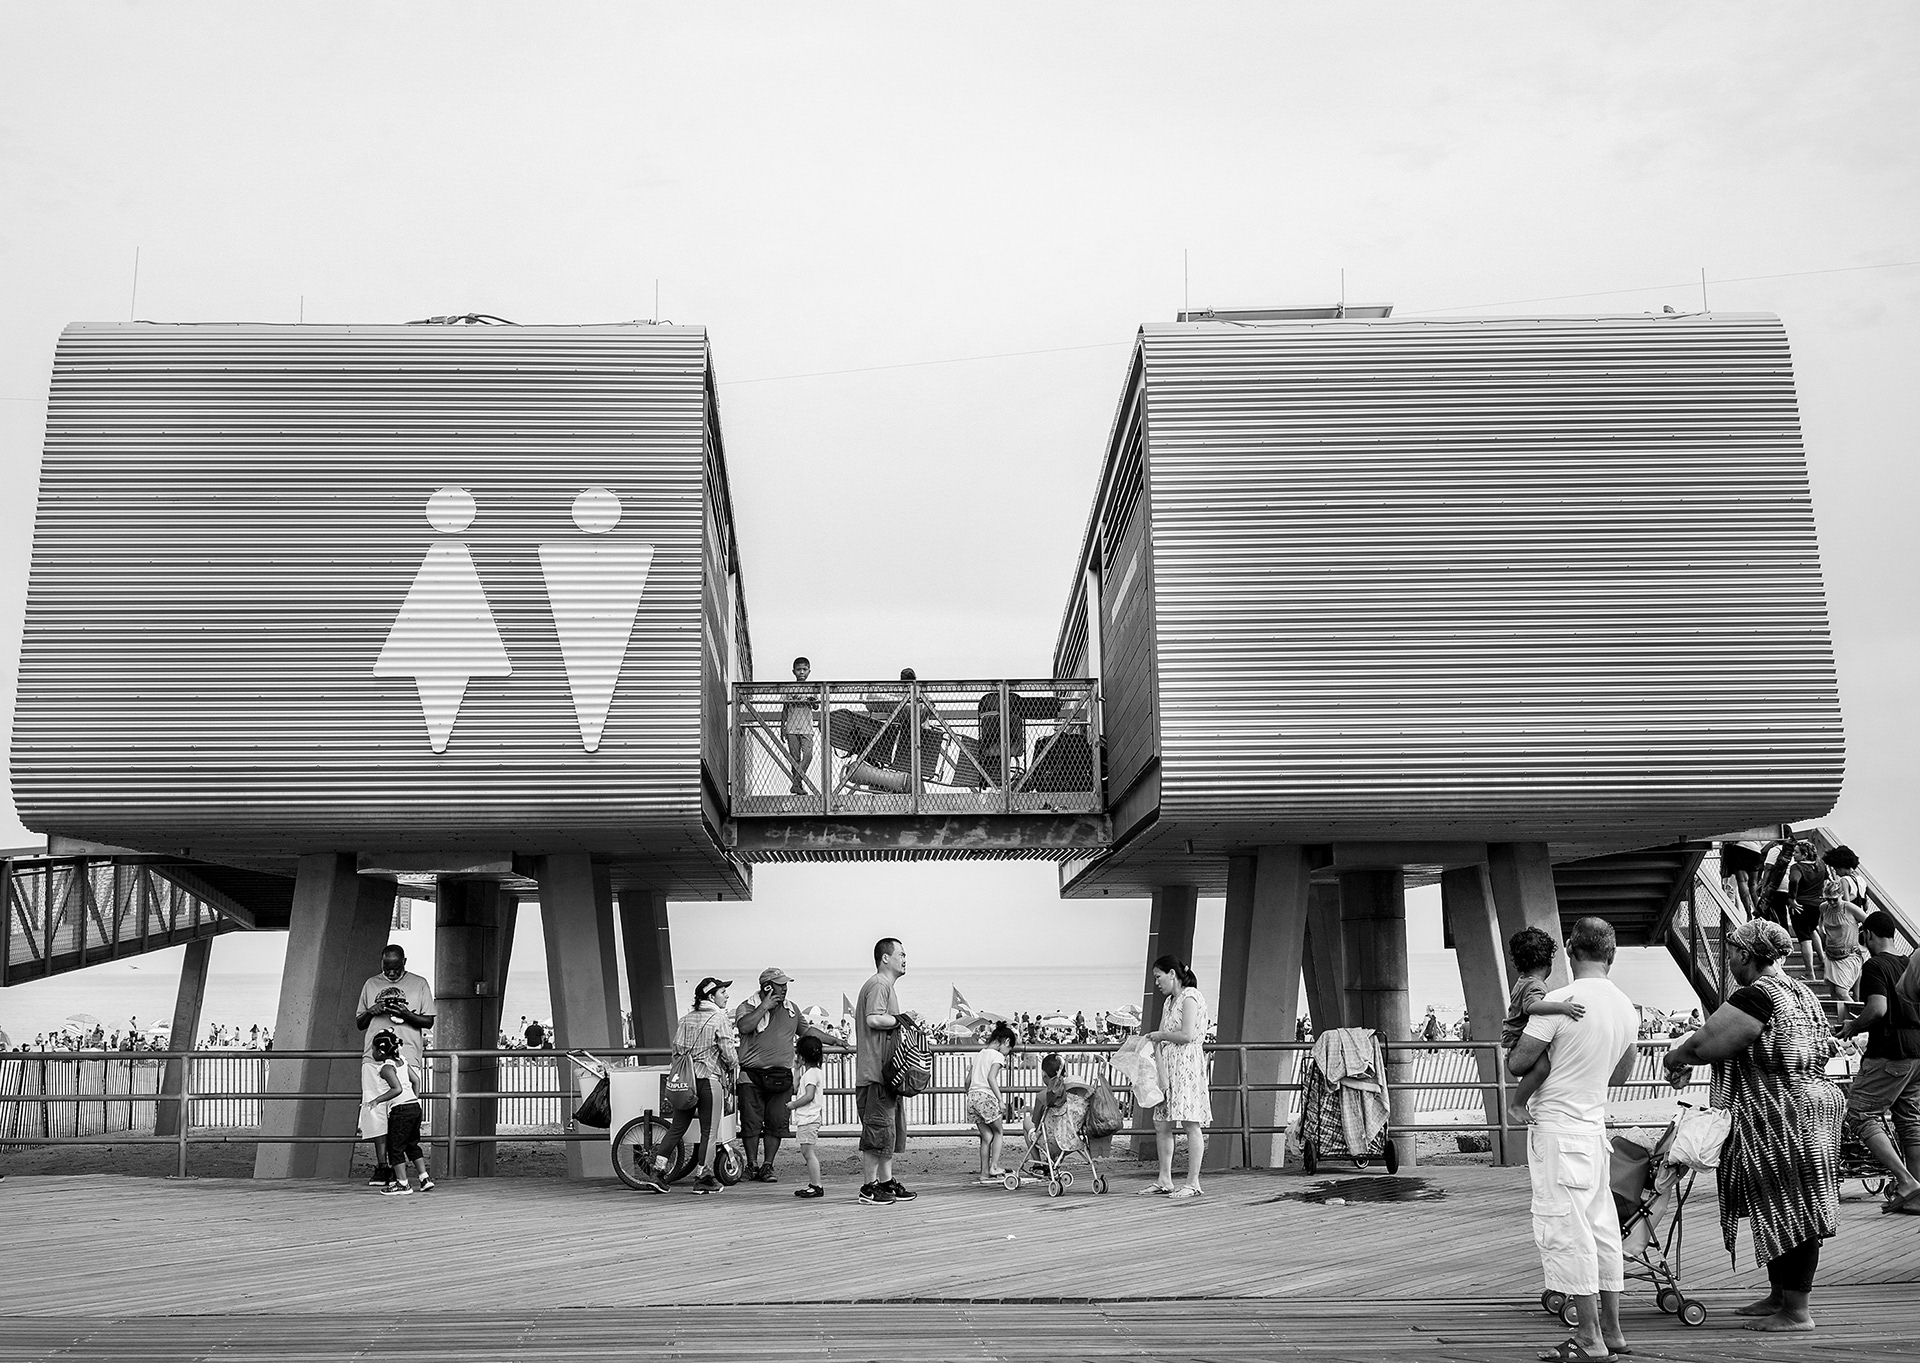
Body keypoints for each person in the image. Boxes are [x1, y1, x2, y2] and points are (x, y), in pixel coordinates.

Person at [1664, 918, 1845, 1334]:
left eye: (1730, 951)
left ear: (1746, 954)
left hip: (1785, 1114)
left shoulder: (1758, 996)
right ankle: (1780, 1296)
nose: (1727, 958)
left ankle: (1797, 1313)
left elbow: (1704, 1044)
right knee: (1779, 1204)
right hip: (1809, 1106)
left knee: (1793, 1209)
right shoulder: (1798, 989)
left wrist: (1675, 1059)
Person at [1506, 917, 1640, 1363]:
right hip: (1594, 1130)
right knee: (1602, 1229)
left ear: (1569, 950)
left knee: (1568, 1230)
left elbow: (1519, 1063)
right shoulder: (1626, 1006)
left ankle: (1588, 1337)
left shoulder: (1561, 999)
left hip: (1559, 1132)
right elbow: (1621, 1074)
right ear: (1613, 953)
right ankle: (1613, 1331)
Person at [1835, 911, 1920, 1214]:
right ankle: (1916, 1196)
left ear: (1868, 935)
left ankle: (1905, 1181)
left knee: (1860, 1114)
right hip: (1916, 1054)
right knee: (1909, 1120)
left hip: (1889, 1051)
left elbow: (1877, 1009)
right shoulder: (1911, 963)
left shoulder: (1875, 965)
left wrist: (1853, 1026)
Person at [732, 966, 842, 1182]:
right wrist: (764, 1006)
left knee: (776, 1122)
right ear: (766, 987)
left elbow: (807, 1031)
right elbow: (744, 1027)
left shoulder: (792, 1009)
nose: (784, 990)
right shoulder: (746, 1006)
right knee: (750, 1122)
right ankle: (752, 1164)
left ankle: (767, 1166)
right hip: (750, 1075)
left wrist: (834, 1040)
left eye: (785, 985)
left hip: (780, 1075)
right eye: (780, 985)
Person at [647, 977, 740, 1194]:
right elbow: (728, 1052)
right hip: (709, 1080)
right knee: (709, 1131)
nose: (726, 996)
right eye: (722, 992)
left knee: (677, 1128)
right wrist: (735, 1066)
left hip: (685, 1082)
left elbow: (677, 1051)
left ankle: (658, 1172)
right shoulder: (720, 1019)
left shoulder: (685, 1019)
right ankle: (703, 1177)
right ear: (711, 996)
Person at [854, 937, 921, 1205]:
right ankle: (868, 1187)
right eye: (901, 954)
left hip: (885, 1074)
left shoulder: (885, 986)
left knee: (887, 1132)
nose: (905, 959)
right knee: (877, 1131)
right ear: (886, 958)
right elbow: (873, 1019)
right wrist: (902, 1019)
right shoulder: (880, 984)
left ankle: (886, 1182)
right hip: (876, 1074)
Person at [1501, 927, 1588, 1128]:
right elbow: (1531, 1006)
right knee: (1542, 1069)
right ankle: (1517, 1104)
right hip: (1517, 1036)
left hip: (1513, 1035)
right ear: (1547, 964)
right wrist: (1562, 1007)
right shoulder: (1536, 986)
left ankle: (1520, 1103)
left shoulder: (1524, 980)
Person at [1139, 954, 1210, 1200]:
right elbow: (1163, 1035)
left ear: (1172, 974)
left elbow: (1188, 1035)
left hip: (1187, 1063)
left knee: (1191, 1122)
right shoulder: (1169, 1002)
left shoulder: (1190, 997)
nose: (1156, 983)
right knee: (1162, 1123)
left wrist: (1160, 1035)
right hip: (1168, 1064)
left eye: (1159, 977)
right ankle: (1164, 1179)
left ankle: (1193, 1181)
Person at [365, 1030, 433, 1195]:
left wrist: (376, 1100)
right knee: (412, 1144)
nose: (371, 1053)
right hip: (414, 1107)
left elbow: (397, 1089)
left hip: (400, 1109)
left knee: (395, 1147)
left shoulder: (386, 1068)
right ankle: (424, 1178)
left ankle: (403, 1183)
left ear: (380, 1051)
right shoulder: (402, 1060)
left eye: (373, 1050)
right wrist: (413, 1100)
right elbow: (415, 1080)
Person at [355, 944, 436, 1073]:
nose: (391, 973)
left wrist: (407, 1015)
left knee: (406, 1093)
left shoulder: (420, 983)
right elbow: (360, 1024)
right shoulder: (371, 983)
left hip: (407, 1057)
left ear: (404, 962)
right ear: (382, 963)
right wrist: (371, 1012)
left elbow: (428, 1022)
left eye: (396, 968)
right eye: (386, 968)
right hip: (374, 1058)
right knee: (373, 1093)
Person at [966, 1022, 1016, 1182]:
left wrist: (970, 1093)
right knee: (998, 1132)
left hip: (972, 1097)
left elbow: (967, 1081)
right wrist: (1000, 1100)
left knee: (986, 1137)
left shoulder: (979, 1054)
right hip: (986, 1097)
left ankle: (984, 1173)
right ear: (1006, 1042)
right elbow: (991, 1078)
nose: (1007, 1054)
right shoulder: (998, 1056)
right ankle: (994, 1166)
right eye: (1009, 1050)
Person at [790, 1034, 827, 1200]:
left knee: (808, 1153)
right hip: (809, 1118)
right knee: (807, 1152)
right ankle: (814, 1183)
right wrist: (797, 1069)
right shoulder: (813, 1072)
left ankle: (816, 1185)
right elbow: (796, 1086)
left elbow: (809, 1095)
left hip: (809, 1119)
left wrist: (793, 1105)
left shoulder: (811, 1074)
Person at [1815, 895, 1868, 1001]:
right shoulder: (1824, 907)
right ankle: (1842, 1017)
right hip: (1831, 955)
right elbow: (1819, 925)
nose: (1832, 902)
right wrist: (1824, 937)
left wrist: (1865, 945)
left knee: (1841, 992)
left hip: (1849, 954)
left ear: (1841, 894)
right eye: (1828, 899)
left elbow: (1870, 922)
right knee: (1833, 992)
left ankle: (1857, 1016)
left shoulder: (1849, 908)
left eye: (1834, 899)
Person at [782, 656, 817, 795]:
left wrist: (811, 700)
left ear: (809, 671)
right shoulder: (789, 688)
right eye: (798, 670)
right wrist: (782, 727)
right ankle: (798, 786)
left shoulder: (813, 688)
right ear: (794, 672)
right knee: (794, 759)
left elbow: (815, 706)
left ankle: (796, 782)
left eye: (804, 669)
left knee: (808, 755)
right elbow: (784, 708)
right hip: (791, 727)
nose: (801, 672)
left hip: (807, 727)